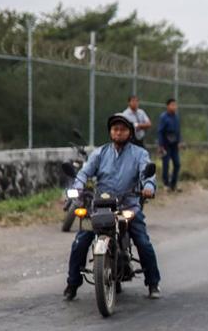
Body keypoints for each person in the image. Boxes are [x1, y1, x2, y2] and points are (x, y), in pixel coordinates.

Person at [64, 114, 161, 300]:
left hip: (128, 206)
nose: (118, 132)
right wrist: (77, 186)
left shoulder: (139, 154)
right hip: (100, 207)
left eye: (122, 129)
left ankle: (153, 282)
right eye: (115, 129)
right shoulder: (99, 153)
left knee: (143, 242)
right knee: (80, 242)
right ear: (110, 132)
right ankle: (72, 283)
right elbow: (84, 173)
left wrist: (148, 187)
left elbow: (147, 172)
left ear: (130, 133)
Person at [157, 98, 182, 192]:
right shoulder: (163, 117)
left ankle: (173, 184)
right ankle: (166, 183)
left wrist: (179, 141)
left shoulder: (176, 117)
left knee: (177, 164)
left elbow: (178, 131)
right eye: (172, 105)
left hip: (174, 144)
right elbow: (160, 131)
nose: (174, 107)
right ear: (167, 106)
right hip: (166, 144)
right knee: (166, 164)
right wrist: (160, 145)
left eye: (175, 105)